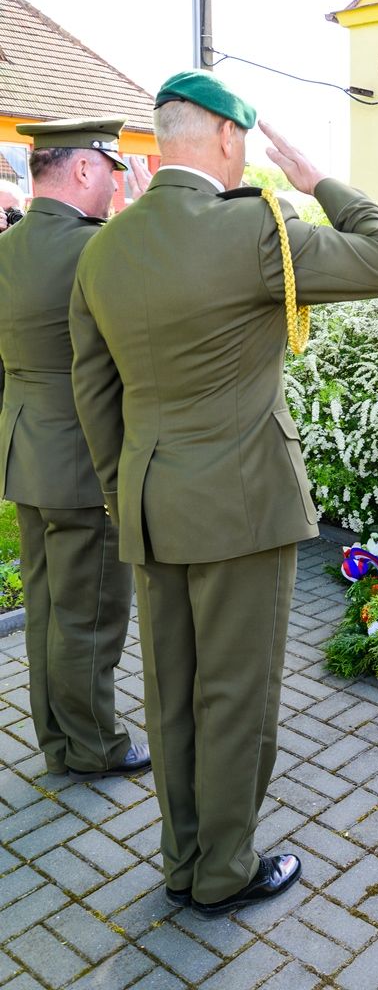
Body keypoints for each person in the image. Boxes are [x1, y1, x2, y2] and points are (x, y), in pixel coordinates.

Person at [69, 69, 378, 918]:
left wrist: (127, 493)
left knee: (171, 691)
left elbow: (94, 391)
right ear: (230, 137)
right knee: (235, 694)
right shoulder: (258, 228)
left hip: (150, 503)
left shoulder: (104, 246)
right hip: (240, 508)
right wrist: (317, 181)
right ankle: (223, 871)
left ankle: (182, 856)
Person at [0, 117, 151, 781]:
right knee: (89, 615)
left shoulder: (8, 245)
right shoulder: (98, 248)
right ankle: (92, 748)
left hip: (26, 451)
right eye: (111, 172)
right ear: (84, 168)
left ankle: (58, 739)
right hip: (86, 460)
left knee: (47, 610)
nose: (115, 186)